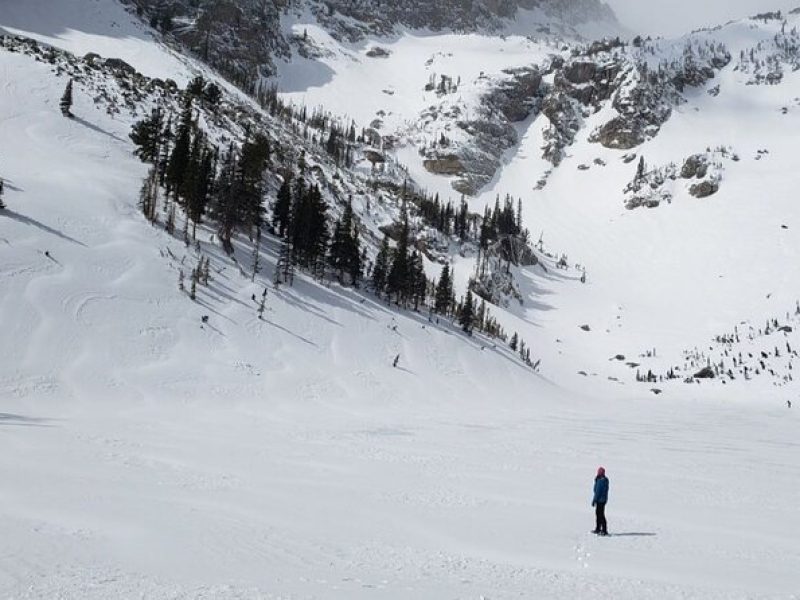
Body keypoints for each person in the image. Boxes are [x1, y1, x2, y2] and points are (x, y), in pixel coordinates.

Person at [592, 466, 609, 535]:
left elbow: (598, 492)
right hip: (602, 500)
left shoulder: (601, 481)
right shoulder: (603, 480)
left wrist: (594, 500)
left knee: (600, 515)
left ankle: (604, 530)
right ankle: (598, 528)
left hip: (600, 500)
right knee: (598, 514)